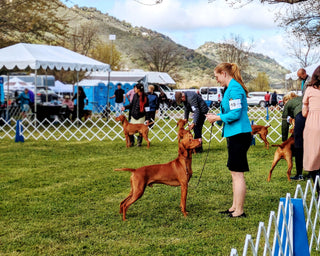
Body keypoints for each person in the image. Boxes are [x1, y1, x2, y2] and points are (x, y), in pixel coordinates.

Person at [206, 62, 252, 218]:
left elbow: (235, 114)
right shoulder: (229, 89)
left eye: (216, 76)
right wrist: (216, 119)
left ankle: (239, 211)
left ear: (224, 74)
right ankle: (234, 206)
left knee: (238, 173)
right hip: (233, 134)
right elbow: (228, 112)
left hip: (239, 134)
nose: (216, 79)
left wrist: (217, 117)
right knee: (234, 171)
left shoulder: (235, 89)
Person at [302, 65, 320, 196]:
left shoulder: (309, 89)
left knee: (313, 157)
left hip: (313, 125)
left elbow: (304, 113)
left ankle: (318, 190)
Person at [281, 92, 305, 181]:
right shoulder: (302, 98)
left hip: (301, 118)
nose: (284, 104)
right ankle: (313, 172)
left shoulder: (289, 104)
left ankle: (299, 174)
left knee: (299, 146)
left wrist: (284, 141)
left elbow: (284, 123)